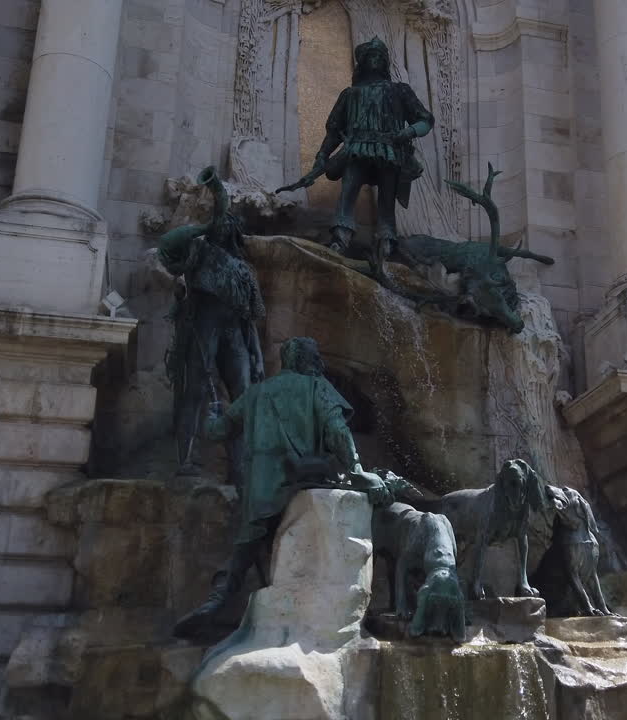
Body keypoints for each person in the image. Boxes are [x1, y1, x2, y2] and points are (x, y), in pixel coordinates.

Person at [172, 337, 388, 639]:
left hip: (260, 488)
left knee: (247, 547)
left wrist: (213, 414)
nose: (320, 364)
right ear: (303, 361)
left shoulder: (256, 393)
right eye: (315, 358)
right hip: (303, 481)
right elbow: (338, 432)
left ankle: (218, 600)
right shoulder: (318, 387)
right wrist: (357, 470)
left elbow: (216, 431)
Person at [280, 37, 434, 276]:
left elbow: (425, 119)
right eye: (370, 56)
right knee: (348, 192)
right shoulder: (350, 94)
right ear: (361, 63)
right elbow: (333, 132)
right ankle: (340, 238)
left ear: (385, 62)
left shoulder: (399, 90)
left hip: (389, 150)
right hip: (356, 149)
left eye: (379, 56)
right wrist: (322, 155)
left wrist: (408, 132)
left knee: (386, 200)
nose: (375, 59)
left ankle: (387, 242)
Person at [158, 166, 265, 478]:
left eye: (227, 225)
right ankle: (185, 460)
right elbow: (166, 246)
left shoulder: (244, 270)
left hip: (235, 333)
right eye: (220, 224)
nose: (223, 227)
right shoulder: (199, 252)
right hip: (203, 323)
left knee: (242, 396)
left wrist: (257, 354)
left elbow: (251, 319)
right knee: (195, 390)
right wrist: (200, 228)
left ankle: (240, 467)